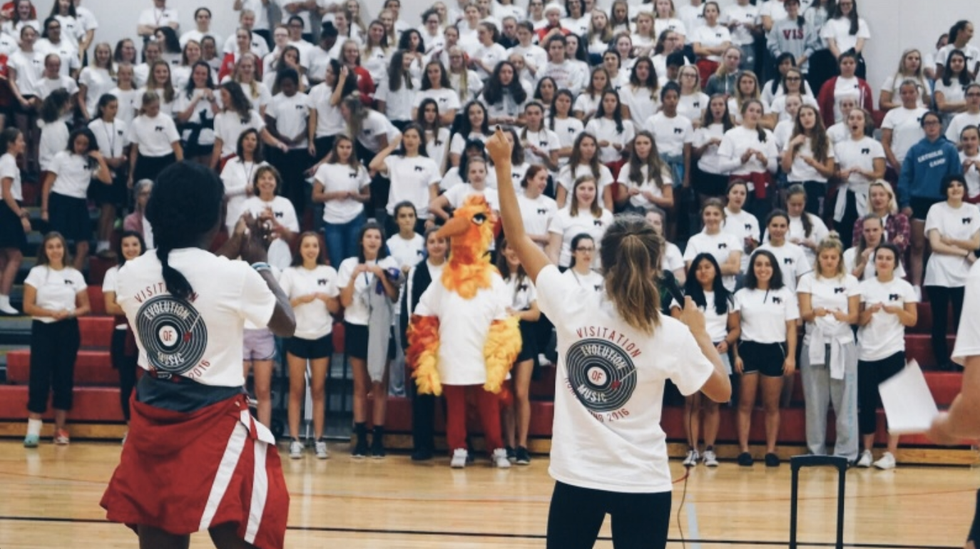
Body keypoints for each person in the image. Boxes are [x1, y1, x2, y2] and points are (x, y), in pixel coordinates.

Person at [488, 126, 730, 549]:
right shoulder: (669, 332)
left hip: (577, 478)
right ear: (657, 265)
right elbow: (722, 391)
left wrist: (504, 165)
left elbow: (517, 237)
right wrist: (700, 333)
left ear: (603, 258)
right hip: (643, 482)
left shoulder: (569, 299)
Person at [100, 161, 295, 548]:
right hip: (217, 424)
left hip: (153, 423)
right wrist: (257, 259)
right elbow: (286, 322)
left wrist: (230, 251)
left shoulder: (128, 274)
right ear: (216, 217)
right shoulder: (235, 276)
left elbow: (187, 275)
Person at [337, 223, 400, 458]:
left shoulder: (389, 264)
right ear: (361, 240)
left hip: (382, 328)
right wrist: (355, 276)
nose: (372, 240)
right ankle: (361, 437)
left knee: (379, 385)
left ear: (382, 242)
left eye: (377, 236)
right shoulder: (348, 264)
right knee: (360, 386)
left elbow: (394, 296)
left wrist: (381, 275)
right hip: (357, 325)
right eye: (368, 236)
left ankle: (378, 439)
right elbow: (343, 302)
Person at [22, 231, 90, 447]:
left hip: (68, 328)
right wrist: (50, 313)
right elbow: (27, 306)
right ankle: (33, 429)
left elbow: (86, 306)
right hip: (43, 328)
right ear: (45, 250)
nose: (55, 250)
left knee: (64, 377)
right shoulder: (36, 273)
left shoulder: (74, 274)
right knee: (39, 376)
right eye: (50, 246)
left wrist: (68, 313)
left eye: (58, 246)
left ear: (64, 249)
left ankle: (60, 429)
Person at [797, 236, 860, 463]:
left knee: (846, 401)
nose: (829, 261)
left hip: (842, 343)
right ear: (819, 258)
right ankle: (816, 452)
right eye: (825, 257)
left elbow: (855, 316)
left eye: (833, 257)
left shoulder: (850, 281)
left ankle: (846, 454)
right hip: (814, 342)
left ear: (839, 258)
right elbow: (804, 313)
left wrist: (844, 316)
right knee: (815, 400)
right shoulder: (807, 280)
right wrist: (815, 313)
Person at [733, 249, 798, 467]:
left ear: (774, 268)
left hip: (774, 351)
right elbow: (734, 328)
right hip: (748, 350)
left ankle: (771, 450)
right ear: (752, 268)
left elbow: (791, 327)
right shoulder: (741, 294)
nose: (763, 269)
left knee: (772, 406)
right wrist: (736, 356)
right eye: (758, 264)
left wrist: (791, 357)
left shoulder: (786, 293)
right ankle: (744, 450)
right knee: (745, 403)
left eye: (767, 264)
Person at [280, 232, 340, 459]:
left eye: (315, 245)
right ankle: (295, 440)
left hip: (322, 335)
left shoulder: (329, 273)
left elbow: (336, 308)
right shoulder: (290, 273)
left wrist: (327, 300)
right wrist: (298, 301)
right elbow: (282, 304)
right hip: (297, 335)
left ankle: (319, 439)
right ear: (300, 249)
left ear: (319, 249)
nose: (311, 249)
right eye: (307, 245)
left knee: (318, 390)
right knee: (296, 389)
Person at [857, 242, 916, 470]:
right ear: (874, 262)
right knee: (868, 404)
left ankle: (891, 454)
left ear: (895, 262)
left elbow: (912, 320)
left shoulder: (904, 287)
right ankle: (867, 452)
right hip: (867, 352)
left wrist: (897, 311)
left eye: (888, 258)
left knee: (894, 404)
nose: (883, 261)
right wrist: (868, 313)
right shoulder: (865, 287)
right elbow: (858, 321)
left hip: (892, 351)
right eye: (879, 257)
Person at [677, 252, 738, 467]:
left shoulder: (728, 297)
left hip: (717, 353)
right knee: (692, 404)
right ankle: (692, 449)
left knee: (714, 404)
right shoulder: (685, 296)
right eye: (699, 267)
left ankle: (709, 450)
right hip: (692, 351)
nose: (703, 271)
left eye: (708, 266)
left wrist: (727, 342)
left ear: (716, 270)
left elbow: (735, 328)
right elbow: (677, 323)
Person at [898, 111, 962, 295]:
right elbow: (905, 178)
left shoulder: (949, 149)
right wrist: (905, 202)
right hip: (919, 202)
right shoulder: (915, 150)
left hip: (943, 202)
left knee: (938, 247)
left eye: (934, 122)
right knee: (918, 246)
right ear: (923, 127)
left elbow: (955, 177)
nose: (931, 126)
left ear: (941, 125)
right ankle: (917, 287)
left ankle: (939, 286)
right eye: (927, 123)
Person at [924, 174, 980, 371]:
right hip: (938, 272)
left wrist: (952, 240)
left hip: (965, 274)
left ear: (965, 188)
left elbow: (977, 242)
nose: (955, 188)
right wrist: (964, 251)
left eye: (959, 185)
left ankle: (962, 362)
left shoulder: (973, 210)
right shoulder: (936, 209)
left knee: (962, 321)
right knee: (939, 320)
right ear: (945, 190)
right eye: (951, 186)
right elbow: (936, 245)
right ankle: (942, 361)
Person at [40, 127, 111, 271]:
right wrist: (44, 209)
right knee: (57, 243)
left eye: (85, 144)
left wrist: (99, 158)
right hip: (60, 200)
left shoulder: (90, 161)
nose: (81, 147)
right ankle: (53, 275)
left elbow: (108, 180)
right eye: (78, 143)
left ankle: (72, 279)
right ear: (72, 141)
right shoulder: (61, 156)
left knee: (84, 246)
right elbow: (47, 184)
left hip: (79, 203)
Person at [497, 237, 540, 465]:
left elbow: (536, 313)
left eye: (516, 247)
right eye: (509, 247)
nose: (513, 251)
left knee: (521, 393)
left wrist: (516, 314)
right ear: (503, 251)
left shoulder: (529, 278)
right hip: (501, 338)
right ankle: (509, 444)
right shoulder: (496, 278)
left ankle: (522, 445)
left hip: (524, 336)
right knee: (507, 395)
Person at [101, 231, 146, 441]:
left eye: (134, 244)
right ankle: (131, 428)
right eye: (125, 245)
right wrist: (139, 307)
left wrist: (127, 305)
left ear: (142, 246)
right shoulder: (113, 273)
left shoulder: (150, 272)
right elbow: (109, 306)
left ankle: (146, 428)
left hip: (147, 333)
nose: (130, 249)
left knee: (148, 383)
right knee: (127, 383)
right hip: (122, 335)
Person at [832, 107, 885, 247]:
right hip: (845, 194)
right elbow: (833, 173)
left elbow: (880, 173)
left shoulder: (874, 145)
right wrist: (840, 175)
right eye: (851, 118)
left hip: (866, 194)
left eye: (859, 118)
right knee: (843, 233)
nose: (855, 121)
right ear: (847, 122)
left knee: (866, 233)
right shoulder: (839, 146)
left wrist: (864, 172)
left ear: (865, 122)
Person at [547, 175, 614, 270]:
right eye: (582, 188)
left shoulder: (606, 216)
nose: (586, 193)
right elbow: (553, 251)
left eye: (591, 189)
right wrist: (554, 274)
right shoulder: (561, 215)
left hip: (596, 269)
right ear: (574, 191)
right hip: (566, 268)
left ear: (596, 192)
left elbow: (610, 249)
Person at [782, 105, 835, 216]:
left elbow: (829, 172)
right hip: (794, 183)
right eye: (802, 115)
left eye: (810, 114)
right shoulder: (792, 138)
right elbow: (786, 168)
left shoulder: (825, 140)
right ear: (798, 120)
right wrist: (791, 145)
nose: (806, 118)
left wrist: (814, 164)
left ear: (816, 117)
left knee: (815, 219)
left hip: (816, 184)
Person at [243, 165, 299, 270]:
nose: (267, 182)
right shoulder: (247, 204)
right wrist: (259, 222)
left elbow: (292, 237)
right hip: (255, 255)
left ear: (276, 183)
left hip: (281, 255)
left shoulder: (285, 203)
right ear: (256, 183)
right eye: (263, 178)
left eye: (270, 178)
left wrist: (273, 220)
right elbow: (243, 235)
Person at [683, 199, 742, 291]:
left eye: (716, 214)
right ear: (702, 216)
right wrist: (723, 267)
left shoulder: (732, 239)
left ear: (722, 216)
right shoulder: (694, 240)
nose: (711, 218)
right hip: (700, 291)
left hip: (726, 290)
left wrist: (703, 268)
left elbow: (734, 268)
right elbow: (692, 269)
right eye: (707, 214)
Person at [0, 128, 28, 315]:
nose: (23, 143)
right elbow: (6, 192)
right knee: (15, 256)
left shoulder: (5, 160)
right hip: (7, 209)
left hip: (5, 208)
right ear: (10, 143)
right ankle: (3, 298)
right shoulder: (8, 161)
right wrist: (21, 215)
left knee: (3, 257)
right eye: (20, 140)